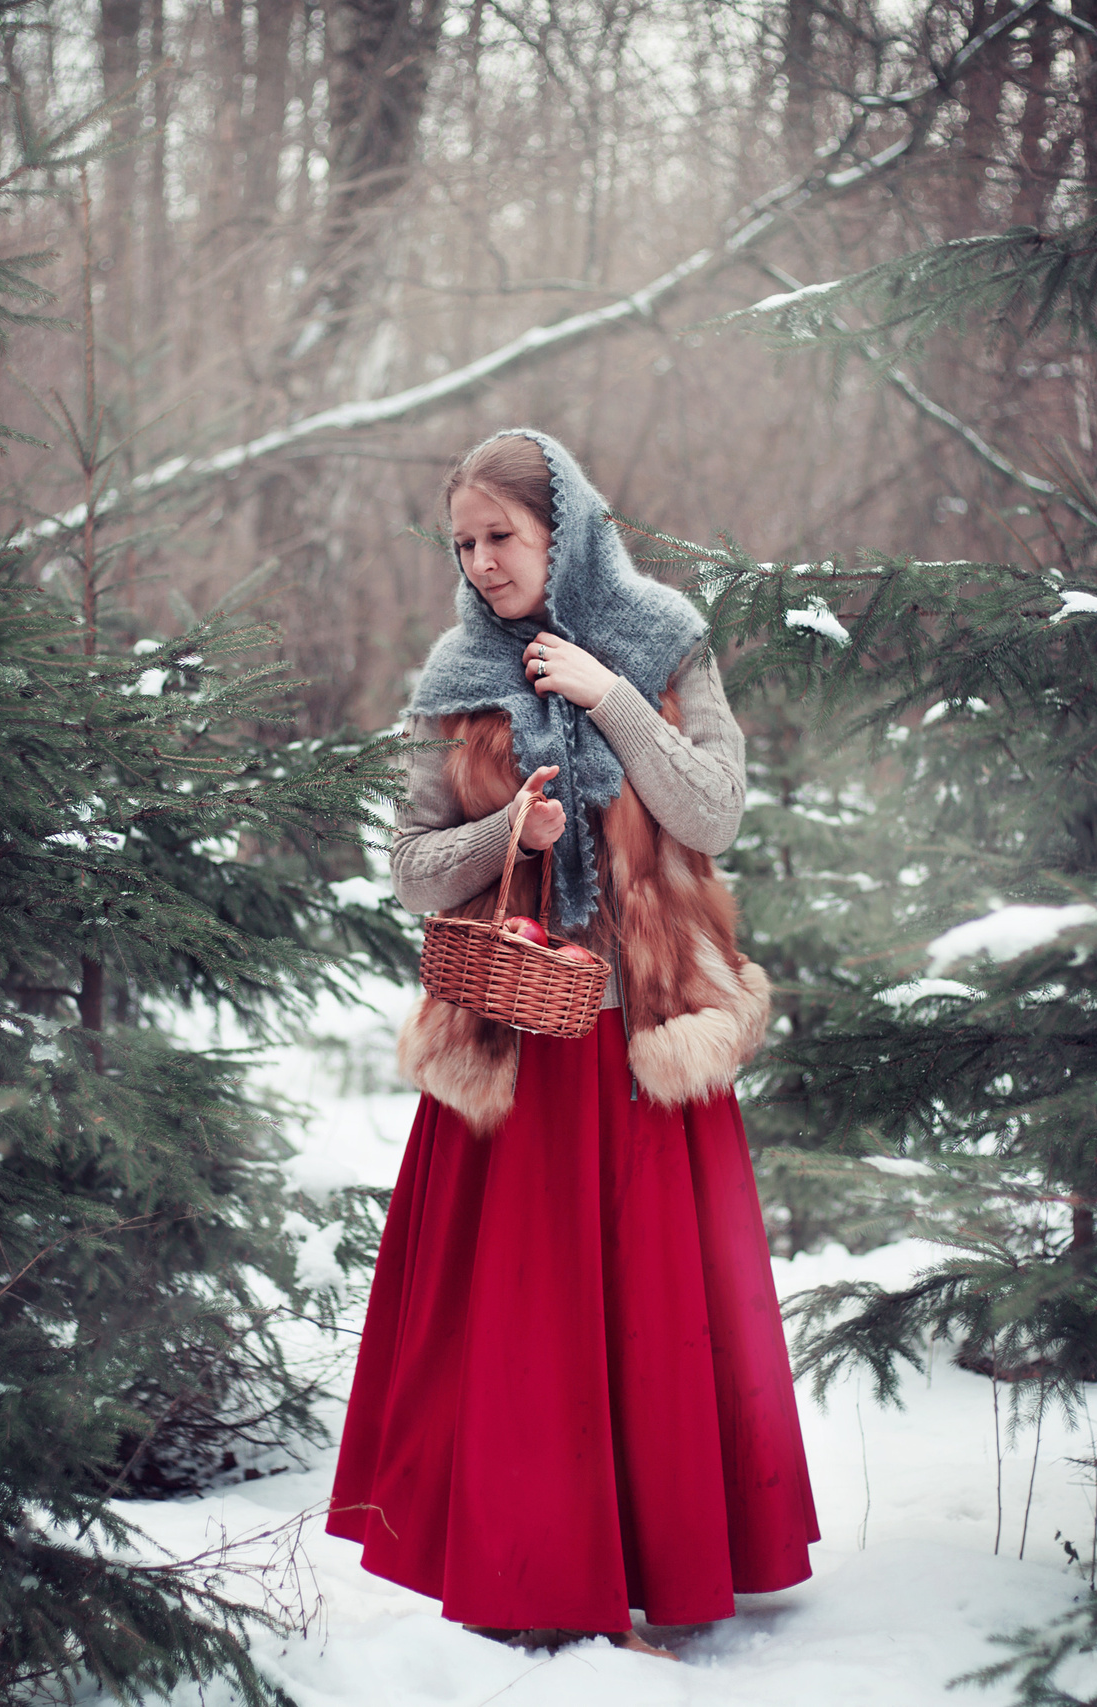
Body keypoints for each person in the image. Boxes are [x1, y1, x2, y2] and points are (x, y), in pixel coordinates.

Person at [325, 429, 818, 1660]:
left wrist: (609, 700)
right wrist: (509, 834)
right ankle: (536, 1570)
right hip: (517, 1044)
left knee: (653, 1315)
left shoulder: (661, 640)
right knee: (528, 1327)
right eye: (465, 544)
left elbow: (713, 809)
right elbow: (407, 870)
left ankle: (655, 1574)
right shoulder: (455, 679)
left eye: (503, 537)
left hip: (642, 1037)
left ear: (567, 532)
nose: (483, 563)